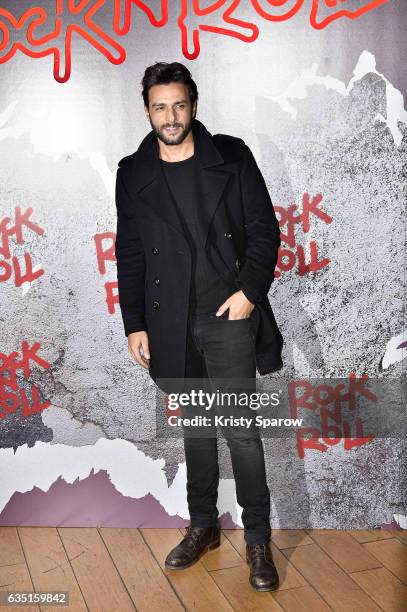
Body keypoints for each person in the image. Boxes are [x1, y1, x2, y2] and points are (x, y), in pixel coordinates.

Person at [115, 61, 283, 592]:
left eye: (179, 105)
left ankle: (257, 540)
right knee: (195, 433)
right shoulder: (133, 172)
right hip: (169, 324)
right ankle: (203, 527)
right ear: (147, 110)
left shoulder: (231, 157)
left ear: (194, 105)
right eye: (160, 106)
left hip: (226, 318)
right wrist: (135, 322)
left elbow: (264, 231)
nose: (170, 116)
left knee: (242, 434)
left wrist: (249, 294)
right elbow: (130, 253)